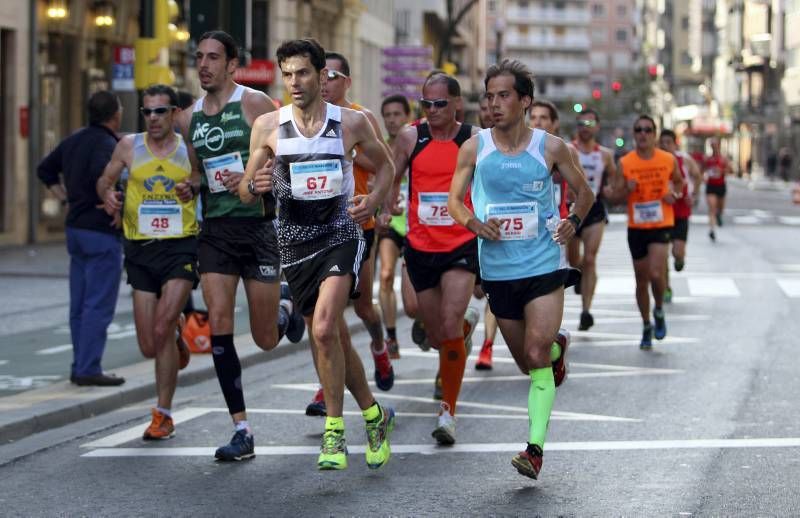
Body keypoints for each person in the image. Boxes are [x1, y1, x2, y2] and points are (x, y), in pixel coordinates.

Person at [241, 38, 396, 471]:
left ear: (321, 75)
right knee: (330, 337)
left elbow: (385, 166)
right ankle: (373, 414)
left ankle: (334, 433)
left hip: (341, 233)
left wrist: (375, 201)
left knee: (326, 327)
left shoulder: (351, 122)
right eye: (286, 74)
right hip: (294, 243)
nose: (294, 82)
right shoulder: (268, 126)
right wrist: (256, 185)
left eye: (302, 73)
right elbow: (246, 187)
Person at [448, 59, 593, 480]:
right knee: (529, 362)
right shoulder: (475, 148)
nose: (494, 103)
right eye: (489, 96)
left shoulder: (549, 148)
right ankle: (555, 351)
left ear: (524, 101)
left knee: (533, 353)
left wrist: (573, 222)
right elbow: (455, 201)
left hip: (544, 263)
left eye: (503, 95)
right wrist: (476, 224)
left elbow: (583, 193)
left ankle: (534, 449)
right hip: (498, 269)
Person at [175, 30, 305, 462]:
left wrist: (256, 178)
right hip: (216, 231)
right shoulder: (188, 118)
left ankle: (288, 305)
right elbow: (197, 172)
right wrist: (189, 185)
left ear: (233, 64)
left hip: (259, 228)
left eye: (214, 57)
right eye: (199, 57)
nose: (204, 65)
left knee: (266, 339)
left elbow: (289, 160)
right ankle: (242, 429)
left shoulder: (254, 105)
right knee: (218, 322)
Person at [97, 84, 198, 438]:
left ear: (173, 113)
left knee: (159, 328)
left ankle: (163, 413)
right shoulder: (128, 146)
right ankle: (174, 331)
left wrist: (193, 187)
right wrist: (108, 195)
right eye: (147, 112)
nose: (153, 118)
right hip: (140, 248)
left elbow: (204, 181)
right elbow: (104, 181)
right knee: (148, 344)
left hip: (180, 246)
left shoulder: (189, 149)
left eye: (160, 111)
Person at [303, 52, 395, 418]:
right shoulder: (305, 119)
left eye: (333, 75)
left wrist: (348, 153)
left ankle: (378, 346)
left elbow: (383, 163)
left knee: (364, 308)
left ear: (348, 81)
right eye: (321, 75)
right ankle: (328, 387)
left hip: (358, 225)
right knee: (327, 316)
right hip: (319, 230)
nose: (325, 82)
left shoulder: (359, 118)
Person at [391, 71, 480, 445]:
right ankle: (460, 333)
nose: (431, 110)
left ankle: (448, 412)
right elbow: (390, 174)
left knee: (448, 321)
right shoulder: (411, 136)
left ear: (457, 103)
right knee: (435, 332)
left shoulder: (473, 139)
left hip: (461, 243)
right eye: (425, 103)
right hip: (421, 245)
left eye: (439, 103)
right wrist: (385, 201)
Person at [37, 90, 125, 386]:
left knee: (80, 303)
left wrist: (66, 200)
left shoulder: (73, 139)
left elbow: (45, 169)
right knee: (98, 303)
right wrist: (115, 201)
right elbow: (103, 178)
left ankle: (80, 364)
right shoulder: (108, 144)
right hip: (101, 230)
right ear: (115, 114)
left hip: (75, 229)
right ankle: (88, 367)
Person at [608, 115, 684, 349]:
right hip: (637, 227)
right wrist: (625, 190)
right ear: (634, 134)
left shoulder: (668, 159)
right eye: (639, 130)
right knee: (641, 280)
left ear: (654, 134)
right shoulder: (626, 162)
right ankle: (646, 324)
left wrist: (675, 194)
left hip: (661, 223)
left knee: (656, 274)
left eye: (648, 130)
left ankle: (659, 308)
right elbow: (616, 197)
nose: (643, 134)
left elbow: (679, 183)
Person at [569, 109, 617, 330]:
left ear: (597, 127)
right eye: (580, 123)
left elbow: (614, 180)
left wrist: (609, 189)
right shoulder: (567, 149)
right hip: (570, 209)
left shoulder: (605, 154)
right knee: (573, 260)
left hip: (595, 209)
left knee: (590, 259)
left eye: (589, 123)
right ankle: (579, 276)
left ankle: (586, 310)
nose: (584, 127)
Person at [377, 94, 412, 359]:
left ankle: (423, 320)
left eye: (397, 114)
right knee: (386, 274)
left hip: (417, 225)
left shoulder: (417, 146)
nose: (391, 120)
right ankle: (390, 336)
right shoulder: (378, 148)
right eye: (387, 115)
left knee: (418, 288)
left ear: (407, 117)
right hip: (390, 222)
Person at [659, 129, 702, 302]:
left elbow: (697, 176)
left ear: (675, 144)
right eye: (662, 142)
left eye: (668, 142)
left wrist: (694, 195)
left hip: (681, 211)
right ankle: (666, 287)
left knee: (677, 252)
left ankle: (680, 258)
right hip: (661, 213)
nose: (665, 145)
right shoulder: (655, 160)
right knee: (661, 255)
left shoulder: (684, 160)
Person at [473, 93, 499, 371]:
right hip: (470, 228)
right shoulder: (472, 144)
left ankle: (487, 346)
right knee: (477, 292)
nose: (490, 110)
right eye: (484, 107)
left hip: (501, 231)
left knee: (491, 292)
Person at [703, 137, 731, 241]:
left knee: (720, 208)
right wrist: (703, 176)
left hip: (721, 186)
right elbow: (702, 169)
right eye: (712, 145)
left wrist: (722, 171)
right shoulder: (707, 159)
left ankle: (719, 215)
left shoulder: (723, 159)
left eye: (715, 145)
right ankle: (712, 230)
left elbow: (729, 170)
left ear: (719, 146)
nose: (714, 147)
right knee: (712, 208)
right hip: (711, 186)